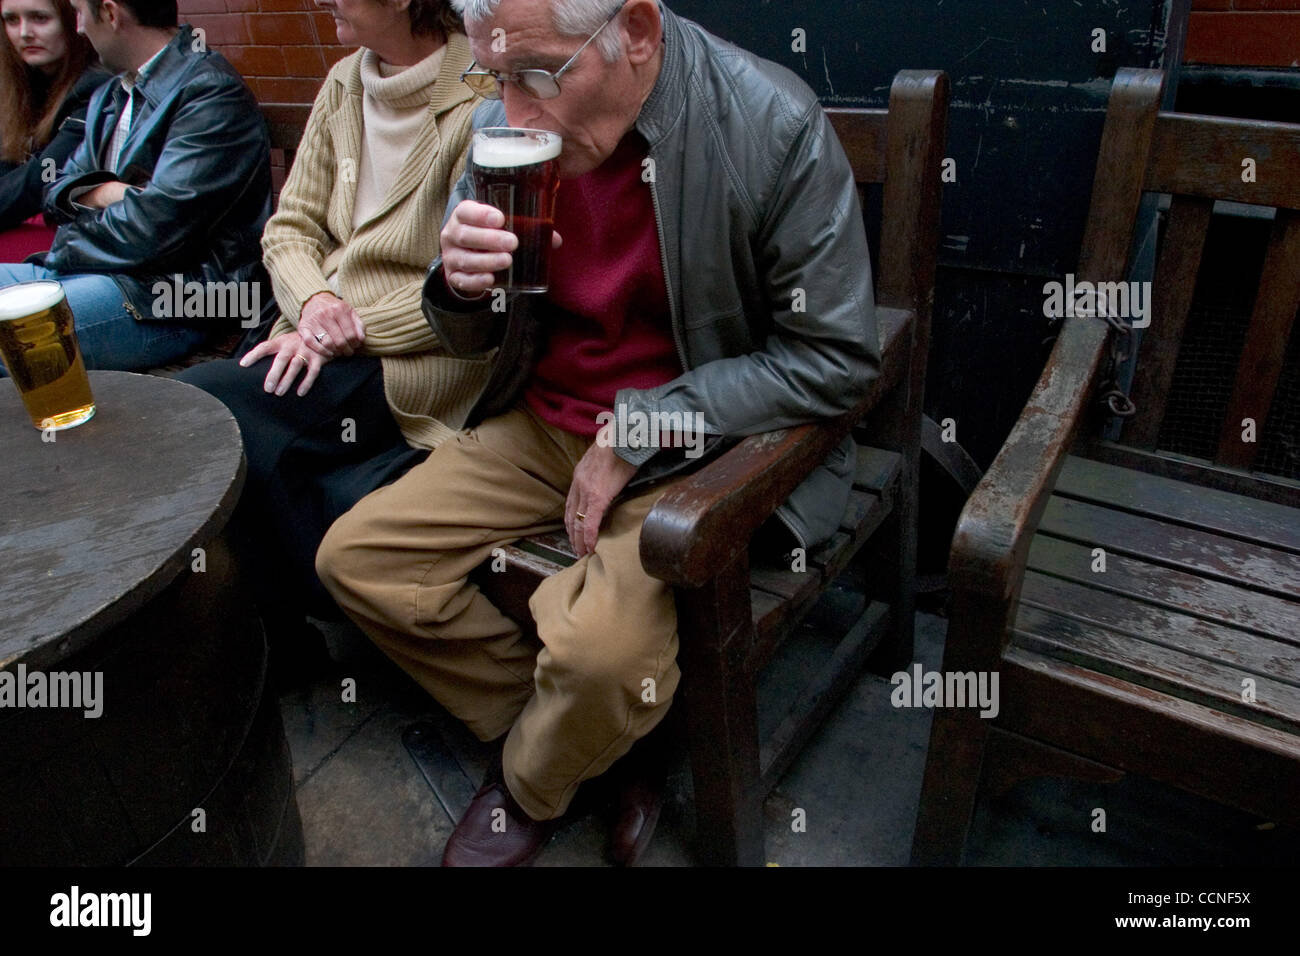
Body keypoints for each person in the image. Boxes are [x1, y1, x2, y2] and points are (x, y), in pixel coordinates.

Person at [316, 0, 879, 866]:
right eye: (495, 76)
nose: (515, 112)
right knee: (358, 560)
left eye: (540, 74)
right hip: (543, 421)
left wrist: (646, 424)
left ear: (639, 32)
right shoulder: (503, 132)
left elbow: (837, 358)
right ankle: (597, 743)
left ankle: (531, 784)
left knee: (602, 660)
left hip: (697, 451)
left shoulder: (769, 122)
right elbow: (473, 335)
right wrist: (459, 291)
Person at [178, 0, 489, 672]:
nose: (323, 1)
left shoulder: (483, 93)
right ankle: (286, 635)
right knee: (223, 415)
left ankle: (284, 644)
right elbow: (290, 229)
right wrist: (316, 304)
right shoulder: (347, 82)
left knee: (205, 404)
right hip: (316, 328)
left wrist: (341, 330)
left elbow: (471, 286)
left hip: (413, 353)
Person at [0, 0, 270, 372]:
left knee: (9, 334)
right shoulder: (112, 92)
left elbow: (153, 228)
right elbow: (54, 193)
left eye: (80, 12)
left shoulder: (209, 91)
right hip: (92, 275)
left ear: (111, 14)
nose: (77, 27)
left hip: (171, 300)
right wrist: (111, 193)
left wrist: (85, 211)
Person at [0, 0, 107, 248]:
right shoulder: (19, 85)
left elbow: (42, 179)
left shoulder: (96, 85)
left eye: (40, 18)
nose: (25, 32)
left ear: (75, 22)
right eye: (11, 20)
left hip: (82, 236)